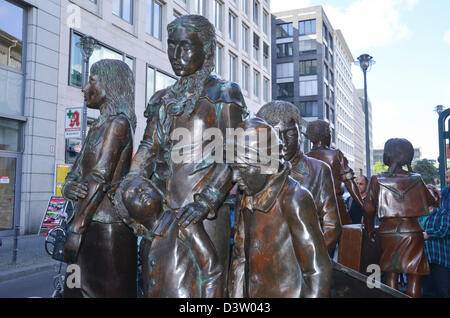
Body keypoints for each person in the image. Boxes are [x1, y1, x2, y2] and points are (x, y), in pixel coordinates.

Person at [116, 15, 247, 297]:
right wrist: (130, 184)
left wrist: (207, 200)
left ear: (207, 48)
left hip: (204, 216)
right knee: (158, 286)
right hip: (160, 215)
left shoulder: (224, 93)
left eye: (185, 46)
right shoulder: (161, 98)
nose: (176, 55)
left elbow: (233, 154)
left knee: (206, 288)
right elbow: (148, 148)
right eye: (172, 46)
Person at [229, 118, 332, 298]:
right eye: (232, 168)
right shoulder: (246, 196)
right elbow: (240, 258)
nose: (235, 176)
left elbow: (317, 271)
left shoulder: (294, 198)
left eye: (242, 168)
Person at [62, 59, 137, 297]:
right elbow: (75, 172)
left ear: (110, 85)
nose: (85, 88)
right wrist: (68, 188)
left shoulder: (119, 124)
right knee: (73, 291)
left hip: (107, 230)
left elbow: (100, 176)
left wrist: (76, 229)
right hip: (87, 223)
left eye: (92, 80)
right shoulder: (97, 127)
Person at [256, 101, 341, 252]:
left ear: (300, 133)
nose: (283, 142)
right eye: (275, 134)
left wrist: (310, 260)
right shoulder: (256, 172)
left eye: (289, 134)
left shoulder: (319, 170)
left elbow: (331, 226)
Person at [363, 138, 439, 298]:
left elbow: (368, 209)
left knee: (391, 273)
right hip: (412, 232)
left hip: (387, 233)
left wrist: (370, 230)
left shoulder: (377, 179)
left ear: (387, 155)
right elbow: (431, 201)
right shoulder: (416, 178)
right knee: (414, 275)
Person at [305, 120, 363, 226]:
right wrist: (362, 205)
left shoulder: (305, 157)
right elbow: (349, 182)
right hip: (335, 206)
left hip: (310, 207)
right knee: (345, 237)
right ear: (326, 135)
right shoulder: (335, 154)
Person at [420, 175, 449, 298]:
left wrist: (426, 234)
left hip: (440, 259)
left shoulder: (443, 213)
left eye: (430, 194)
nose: (426, 197)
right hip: (424, 259)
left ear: (436, 197)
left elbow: (443, 230)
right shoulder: (418, 216)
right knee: (427, 292)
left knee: (443, 291)